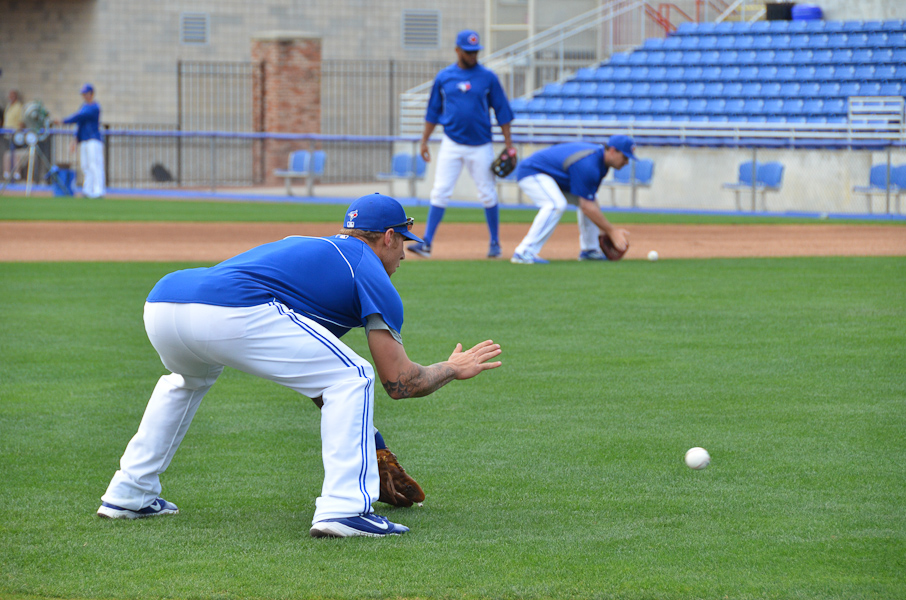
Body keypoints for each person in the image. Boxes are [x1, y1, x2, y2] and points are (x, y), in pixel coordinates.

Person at [97, 193, 503, 539]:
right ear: (388, 237)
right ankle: (345, 509)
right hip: (231, 310)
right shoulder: (370, 269)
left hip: (165, 301)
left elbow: (320, 382)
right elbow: (400, 382)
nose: (403, 254)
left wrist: (373, 446)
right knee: (355, 374)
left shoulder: (316, 253)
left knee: (187, 380)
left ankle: (129, 492)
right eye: (402, 243)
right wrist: (452, 367)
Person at [407, 29, 515, 260]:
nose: (473, 55)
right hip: (451, 142)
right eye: (468, 51)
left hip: (481, 145)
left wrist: (509, 144)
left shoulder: (488, 77)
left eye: (475, 51)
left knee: (487, 193)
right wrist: (424, 141)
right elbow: (433, 111)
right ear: (457, 50)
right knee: (440, 191)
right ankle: (426, 244)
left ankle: (495, 243)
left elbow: (502, 111)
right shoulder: (445, 77)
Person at [510, 135, 636, 264]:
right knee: (556, 204)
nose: (626, 162)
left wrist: (604, 229)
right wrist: (612, 231)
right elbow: (587, 207)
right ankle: (524, 251)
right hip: (532, 172)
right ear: (613, 151)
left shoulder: (600, 162)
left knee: (591, 200)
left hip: (552, 178)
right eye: (625, 157)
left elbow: (589, 201)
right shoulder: (589, 164)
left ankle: (590, 250)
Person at [56, 83, 105, 198]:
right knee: (85, 166)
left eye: (86, 93)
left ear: (91, 94)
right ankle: (87, 190)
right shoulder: (83, 106)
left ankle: (99, 190)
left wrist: (63, 121)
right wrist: (75, 140)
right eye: (83, 94)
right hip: (84, 140)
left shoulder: (95, 107)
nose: (84, 96)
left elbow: (79, 117)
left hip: (93, 139)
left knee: (95, 165)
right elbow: (79, 124)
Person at [2, 90, 26, 181]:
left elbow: (21, 123)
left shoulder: (18, 107)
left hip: (15, 136)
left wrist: (18, 134)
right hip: (6, 135)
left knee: (14, 154)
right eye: (10, 95)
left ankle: (16, 174)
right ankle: (7, 174)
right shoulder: (9, 106)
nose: (10, 97)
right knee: (7, 154)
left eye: (13, 95)